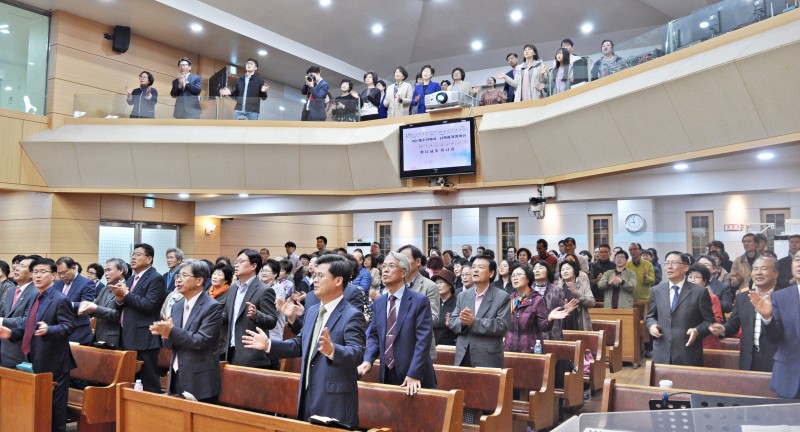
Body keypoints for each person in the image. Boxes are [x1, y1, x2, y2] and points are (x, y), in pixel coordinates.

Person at [242, 254, 367, 427]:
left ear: (338, 281)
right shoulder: (314, 310)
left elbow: (357, 353)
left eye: (321, 276)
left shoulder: (352, 315)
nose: (315, 280)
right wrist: (269, 345)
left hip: (334, 401)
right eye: (314, 275)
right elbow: (300, 344)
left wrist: (333, 350)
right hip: (307, 394)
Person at [0, 257, 76, 432]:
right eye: (35, 272)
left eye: (43, 272)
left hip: (54, 363)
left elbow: (69, 326)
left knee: (54, 411)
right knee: (37, 408)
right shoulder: (36, 298)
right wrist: (11, 333)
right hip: (34, 358)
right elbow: (29, 325)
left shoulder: (60, 299)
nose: (38, 276)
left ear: (54, 275)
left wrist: (50, 329)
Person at [358, 252, 435, 395]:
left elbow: (423, 341)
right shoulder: (379, 302)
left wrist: (414, 373)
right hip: (387, 372)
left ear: (403, 272)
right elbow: (375, 335)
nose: (385, 269)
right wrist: (368, 360)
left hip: (413, 375)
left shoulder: (419, 301)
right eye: (384, 266)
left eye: (391, 266)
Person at [151, 260, 223, 402]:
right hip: (176, 374)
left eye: (184, 275)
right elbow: (169, 345)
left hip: (199, 379)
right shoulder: (177, 306)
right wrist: (166, 335)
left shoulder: (212, 307)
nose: (178, 279)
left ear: (199, 280)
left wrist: (171, 332)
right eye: (178, 276)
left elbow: (202, 340)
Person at [112, 243, 166, 392]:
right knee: (130, 381)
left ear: (149, 259)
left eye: (138, 254)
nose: (133, 257)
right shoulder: (130, 280)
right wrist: (119, 299)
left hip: (144, 337)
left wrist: (127, 294)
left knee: (149, 381)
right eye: (133, 254)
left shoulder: (156, 278)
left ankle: (153, 411)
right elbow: (123, 305)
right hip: (128, 334)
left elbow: (149, 305)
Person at [646, 251, 715, 366]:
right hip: (662, 352)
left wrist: (697, 331)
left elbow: (709, 321)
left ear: (685, 267)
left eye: (673, 263)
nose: (669, 267)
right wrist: (651, 325)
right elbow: (650, 316)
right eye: (666, 263)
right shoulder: (656, 290)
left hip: (688, 352)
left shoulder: (699, 292)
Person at [710, 257, 779, 371]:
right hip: (749, 358)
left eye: (764, 269)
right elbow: (733, 324)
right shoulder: (743, 297)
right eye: (755, 269)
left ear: (775, 274)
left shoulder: (783, 297)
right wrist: (722, 329)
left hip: (776, 358)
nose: (758, 272)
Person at [449, 256, 511, 367]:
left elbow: (502, 325)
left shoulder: (502, 297)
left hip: (487, 356)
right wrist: (463, 322)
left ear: (491, 273)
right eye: (473, 267)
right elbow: (453, 321)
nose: (475, 270)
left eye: (480, 267)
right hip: (463, 354)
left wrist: (473, 322)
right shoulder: (463, 295)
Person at [754, 250, 800, 398]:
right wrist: (767, 318)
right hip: (789, 374)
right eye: (797, 259)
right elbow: (774, 337)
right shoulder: (781, 296)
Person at [224, 248, 278, 369]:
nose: (236, 265)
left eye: (241, 261)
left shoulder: (264, 290)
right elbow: (226, 316)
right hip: (230, 350)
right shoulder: (232, 289)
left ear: (253, 266)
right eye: (236, 262)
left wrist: (256, 314)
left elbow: (272, 321)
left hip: (251, 354)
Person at [505, 264, 573, 353]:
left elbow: (543, 327)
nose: (514, 278)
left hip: (529, 349)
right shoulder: (511, 298)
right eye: (513, 276)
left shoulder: (537, 299)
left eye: (518, 274)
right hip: (509, 348)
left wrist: (549, 319)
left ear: (528, 278)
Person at [0, 256, 39, 367]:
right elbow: (3, 313)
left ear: (32, 274)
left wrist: (2, 321)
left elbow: (28, 321)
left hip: (21, 349)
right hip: (4, 347)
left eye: (22, 266)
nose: (16, 268)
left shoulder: (36, 292)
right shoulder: (12, 290)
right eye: (17, 265)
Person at [78, 258, 126, 348]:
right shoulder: (105, 289)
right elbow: (94, 305)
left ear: (120, 270)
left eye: (109, 270)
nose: (106, 274)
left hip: (116, 339)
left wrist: (95, 308)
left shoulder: (127, 288)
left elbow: (118, 315)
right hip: (99, 336)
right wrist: (84, 308)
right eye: (105, 271)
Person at [51, 257, 94, 345]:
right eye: (59, 274)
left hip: (78, 332)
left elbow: (86, 305)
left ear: (74, 268)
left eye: (64, 272)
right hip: (59, 331)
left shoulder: (86, 283)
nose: (62, 276)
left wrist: (66, 304)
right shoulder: (57, 283)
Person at [685, 264, 723, 350]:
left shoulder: (712, 297)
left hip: (706, 340)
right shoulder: (680, 296)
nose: (692, 280)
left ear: (704, 281)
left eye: (697, 277)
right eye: (690, 277)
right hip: (685, 338)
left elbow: (717, 319)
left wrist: (699, 325)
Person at [559, 260, 595, 331]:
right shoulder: (557, 287)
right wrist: (563, 307)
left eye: (568, 269)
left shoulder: (583, 284)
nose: (565, 271)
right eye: (562, 270)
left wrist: (577, 294)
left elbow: (592, 303)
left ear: (575, 271)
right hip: (562, 322)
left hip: (580, 322)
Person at [432, 268, 458, 346]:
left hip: (450, 345)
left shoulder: (457, 302)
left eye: (441, 282)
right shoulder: (433, 301)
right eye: (436, 283)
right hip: (432, 344)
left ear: (449, 285)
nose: (438, 285)